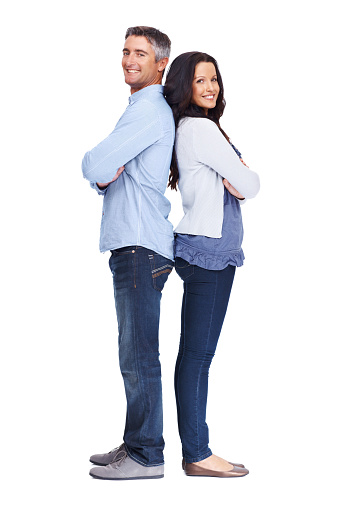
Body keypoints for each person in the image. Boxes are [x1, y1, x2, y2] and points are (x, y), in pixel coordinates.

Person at [82, 26, 175, 481]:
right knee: (134, 352)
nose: (128, 59)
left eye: (140, 53)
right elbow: (106, 174)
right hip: (136, 243)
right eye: (125, 51)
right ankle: (136, 441)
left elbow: (96, 164)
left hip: (140, 245)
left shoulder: (149, 111)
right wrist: (104, 177)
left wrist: (99, 173)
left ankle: (146, 455)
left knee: (138, 354)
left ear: (161, 64)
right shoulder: (141, 109)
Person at [164, 52, 260, 478]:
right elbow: (250, 184)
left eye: (215, 80)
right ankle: (198, 452)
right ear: (184, 85)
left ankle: (196, 448)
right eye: (200, 80)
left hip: (204, 248)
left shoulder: (193, 127)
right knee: (198, 357)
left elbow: (240, 184)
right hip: (210, 252)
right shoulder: (201, 129)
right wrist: (239, 174)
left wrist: (236, 177)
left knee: (195, 356)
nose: (210, 87)